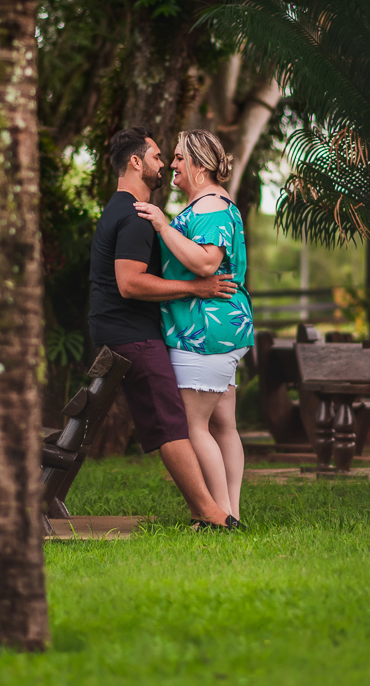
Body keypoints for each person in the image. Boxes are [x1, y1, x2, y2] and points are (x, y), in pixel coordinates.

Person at [88, 126, 241, 529]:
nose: (165, 164)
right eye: (158, 156)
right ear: (135, 162)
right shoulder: (136, 216)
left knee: (176, 420)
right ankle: (210, 512)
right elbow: (129, 283)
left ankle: (209, 510)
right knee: (172, 422)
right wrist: (197, 288)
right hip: (132, 333)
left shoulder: (125, 209)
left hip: (127, 329)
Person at [134, 130, 254, 523]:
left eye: (179, 158)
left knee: (193, 425)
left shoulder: (211, 206)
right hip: (221, 327)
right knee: (223, 425)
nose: (172, 165)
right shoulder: (215, 202)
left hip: (203, 331)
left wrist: (163, 226)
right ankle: (232, 513)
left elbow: (206, 263)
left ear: (199, 165)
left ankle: (219, 515)